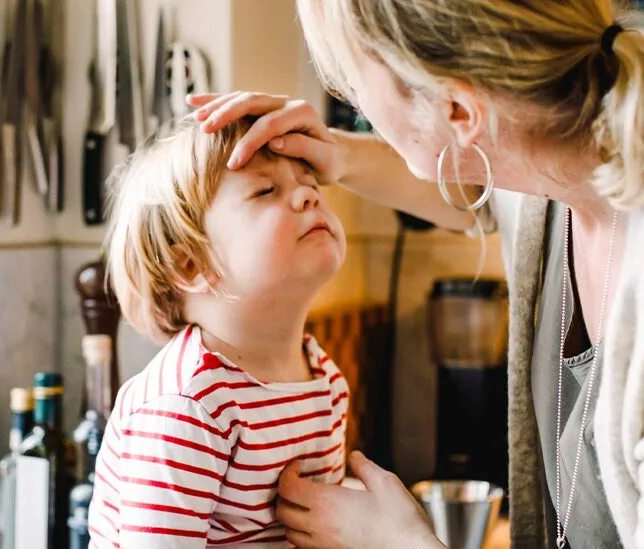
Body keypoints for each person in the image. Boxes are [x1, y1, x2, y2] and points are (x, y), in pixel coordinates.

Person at [186, 1, 644, 547]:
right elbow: (483, 192)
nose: (356, 107)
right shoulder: (550, 190)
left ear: (458, 112)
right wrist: (339, 154)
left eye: (355, 83)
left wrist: (405, 543)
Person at [88, 117, 350, 547]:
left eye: (311, 185)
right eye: (266, 190)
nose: (309, 195)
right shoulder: (189, 406)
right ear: (192, 266)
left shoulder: (324, 379)